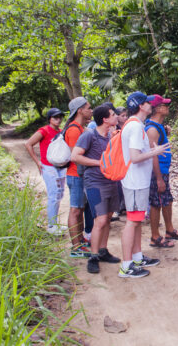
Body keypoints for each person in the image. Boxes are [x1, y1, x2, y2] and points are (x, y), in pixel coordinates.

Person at [118, 92, 170, 278]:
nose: (151, 105)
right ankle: (126, 266)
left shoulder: (137, 125)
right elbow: (134, 157)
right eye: (148, 103)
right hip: (133, 182)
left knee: (137, 221)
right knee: (132, 222)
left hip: (139, 181)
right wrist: (154, 151)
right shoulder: (133, 126)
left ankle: (137, 257)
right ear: (141, 105)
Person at [71, 104, 122, 274]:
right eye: (113, 114)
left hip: (111, 181)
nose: (117, 117)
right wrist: (99, 163)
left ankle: (103, 250)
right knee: (99, 220)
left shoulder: (111, 136)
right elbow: (75, 156)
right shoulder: (89, 135)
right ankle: (93, 256)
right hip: (94, 182)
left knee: (107, 218)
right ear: (105, 119)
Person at [145, 94, 178, 248]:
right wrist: (158, 178)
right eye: (164, 105)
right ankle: (155, 236)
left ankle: (169, 230)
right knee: (156, 203)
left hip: (163, 171)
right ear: (156, 109)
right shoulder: (152, 129)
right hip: (157, 172)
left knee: (167, 200)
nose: (167, 107)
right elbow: (153, 155)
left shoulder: (158, 126)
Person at [24, 108, 67, 235]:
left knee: (59, 195)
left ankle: (55, 223)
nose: (58, 119)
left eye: (60, 117)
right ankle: (51, 225)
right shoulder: (44, 131)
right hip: (48, 167)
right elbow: (28, 144)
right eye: (55, 117)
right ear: (49, 119)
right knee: (53, 195)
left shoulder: (60, 131)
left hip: (59, 167)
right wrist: (37, 162)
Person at [65, 97, 93, 258]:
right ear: (80, 110)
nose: (91, 111)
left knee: (80, 209)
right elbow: (75, 156)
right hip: (76, 175)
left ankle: (80, 240)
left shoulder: (81, 129)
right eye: (88, 108)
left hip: (80, 175)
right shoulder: (74, 130)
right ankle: (76, 246)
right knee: (75, 210)